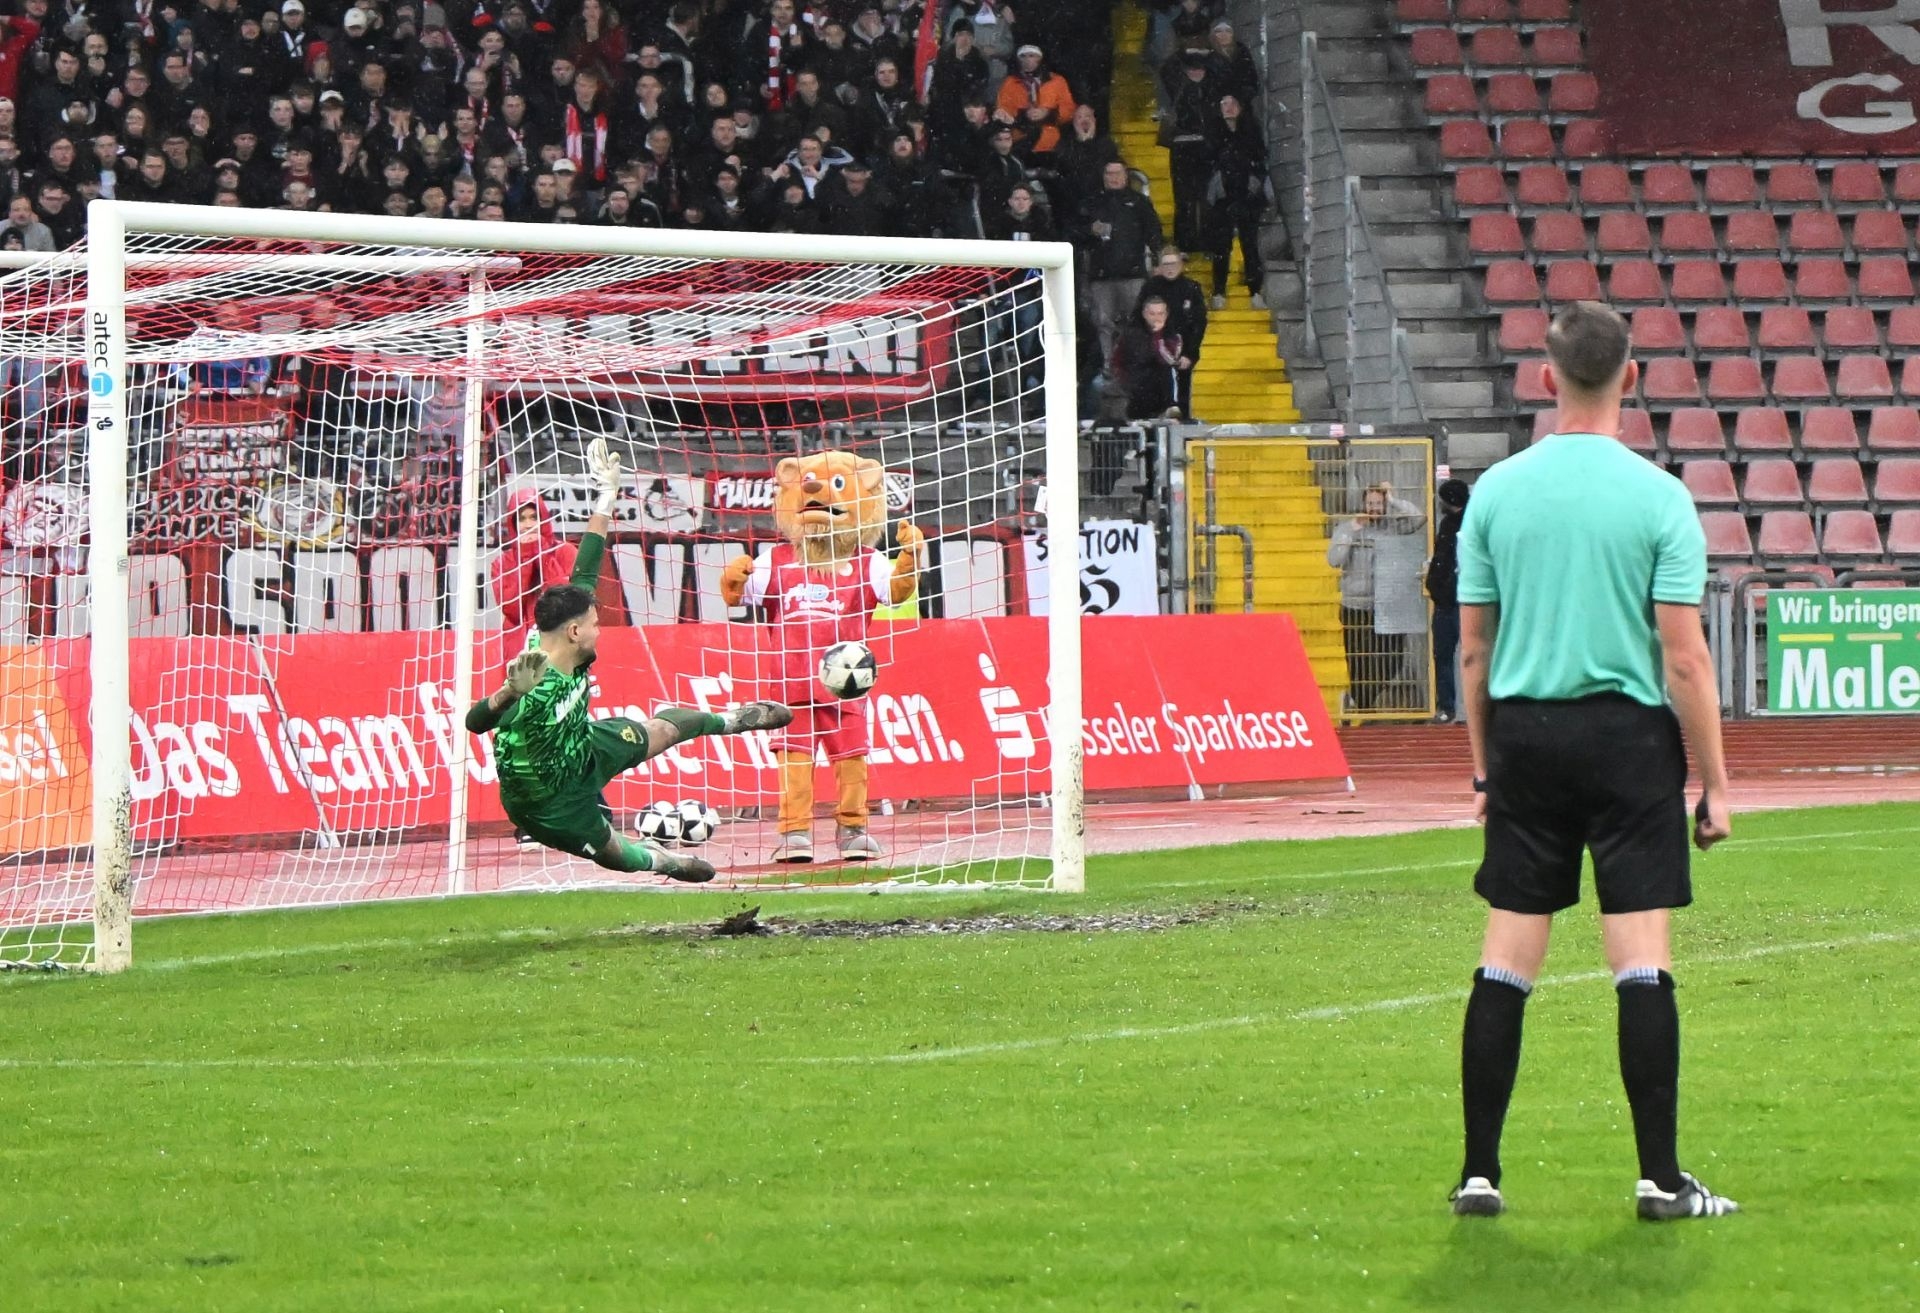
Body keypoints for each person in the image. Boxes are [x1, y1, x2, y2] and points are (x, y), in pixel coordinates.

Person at [1449, 300, 1737, 1222]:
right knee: (1640, 957)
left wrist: (1487, 770)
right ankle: (1661, 1177)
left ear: (1546, 377)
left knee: (1506, 955)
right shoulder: (1660, 498)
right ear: (1631, 377)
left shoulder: (1497, 492)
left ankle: (1479, 1173)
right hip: (1626, 740)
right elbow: (1685, 659)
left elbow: (1473, 651)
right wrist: (1715, 782)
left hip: (1526, 736)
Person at [467, 439, 792, 879]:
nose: (600, 629)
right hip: (549, 802)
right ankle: (663, 860)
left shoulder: (566, 638)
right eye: (595, 623)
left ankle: (733, 720)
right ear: (575, 632)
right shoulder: (533, 682)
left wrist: (606, 497)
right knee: (616, 855)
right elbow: (475, 722)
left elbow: (585, 569)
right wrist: (508, 693)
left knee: (661, 728)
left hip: (583, 745)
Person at [1326, 481, 1424, 713]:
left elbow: (1419, 518)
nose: (1374, 508)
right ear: (1363, 504)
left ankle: (1365, 701)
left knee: (1393, 659)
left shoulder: (1393, 527)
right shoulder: (1347, 528)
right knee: (1359, 661)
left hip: (1388, 605)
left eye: (1379, 503)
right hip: (1356, 606)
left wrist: (1393, 500)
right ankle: (1364, 706)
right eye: (1370, 503)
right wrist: (1352, 532)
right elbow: (1334, 560)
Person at [1205, 94, 1267, 310]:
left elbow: (1260, 161)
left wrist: (1253, 185)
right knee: (1221, 247)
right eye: (1224, 103)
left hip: (1247, 198)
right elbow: (1207, 163)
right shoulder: (1213, 133)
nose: (1228, 108)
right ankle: (1219, 291)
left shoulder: (1251, 132)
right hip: (1223, 199)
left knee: (1250, 246)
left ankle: (1255, 292)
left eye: (1233, 103)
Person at [1426, 477, 1469, 723]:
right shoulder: (1447, 523)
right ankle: (1448, 706)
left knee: (1464, 654)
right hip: (1445, 601)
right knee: (1443, 654)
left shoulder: (1469, 524)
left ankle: (1460, 709)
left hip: (1461, 600)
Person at [1111, 295, 1190, 420]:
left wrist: (1157, 335)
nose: (1156, 318)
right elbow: (1117, 360)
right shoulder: (1130, 335)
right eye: (1152, 314)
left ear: (1166, 315)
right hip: (1135, 388)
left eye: (1160, 314)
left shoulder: (1173, 336)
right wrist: (1125, 382)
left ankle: (1170, 407)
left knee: (1167, 370)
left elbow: (1168, 360)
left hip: (1161, 390)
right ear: (1144, 314)